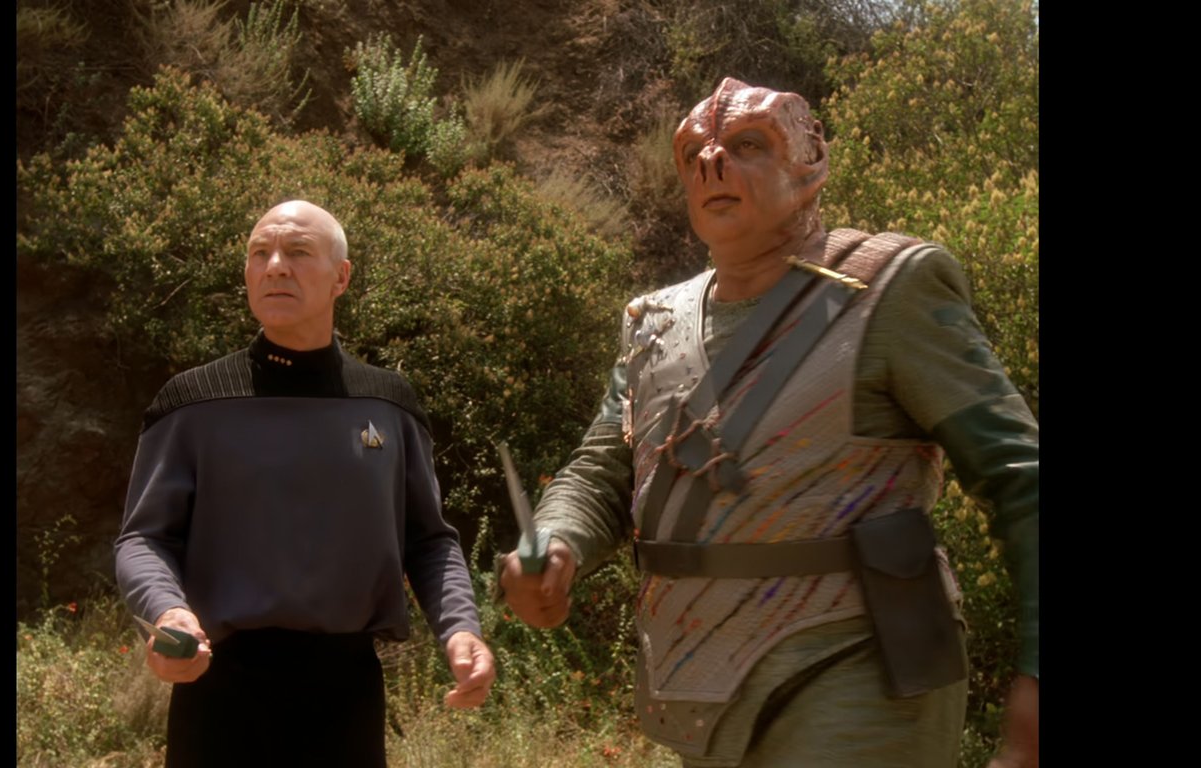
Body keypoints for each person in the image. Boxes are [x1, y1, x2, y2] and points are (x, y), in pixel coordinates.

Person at [500, 79, 1038, 767]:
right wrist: (555, 541)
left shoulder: (889, 288)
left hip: (864, 669)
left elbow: (1019, 477)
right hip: (698, 678)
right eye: (693, 152)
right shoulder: (653, 322)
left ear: (810, 163)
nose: (711, 162)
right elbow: (603, 470)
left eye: (748, 144)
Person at [115, 200, 495, 767]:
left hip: (346, 697)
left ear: (341, 277)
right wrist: (168, 611)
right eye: (259, 253)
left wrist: (461, 629)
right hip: (218, 691)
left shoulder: (388, 403)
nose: (275, 266)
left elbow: (429, 540)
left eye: (297, 251)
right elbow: (143, 538)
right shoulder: (193, 401)